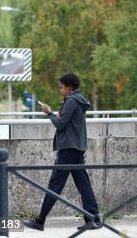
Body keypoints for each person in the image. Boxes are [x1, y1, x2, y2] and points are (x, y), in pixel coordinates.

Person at [23, 73, 100, 231]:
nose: (60, 89)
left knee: (55, 184)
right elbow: (68, 121)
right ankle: (93, 218)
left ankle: (40, 220)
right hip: (76, 147)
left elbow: (60, 124)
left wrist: (49, 113)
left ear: (68, 87)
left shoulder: (71, 101)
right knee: (83, 183)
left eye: (61, 86)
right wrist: (58, 115)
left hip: (68, 149)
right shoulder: (78, 100)